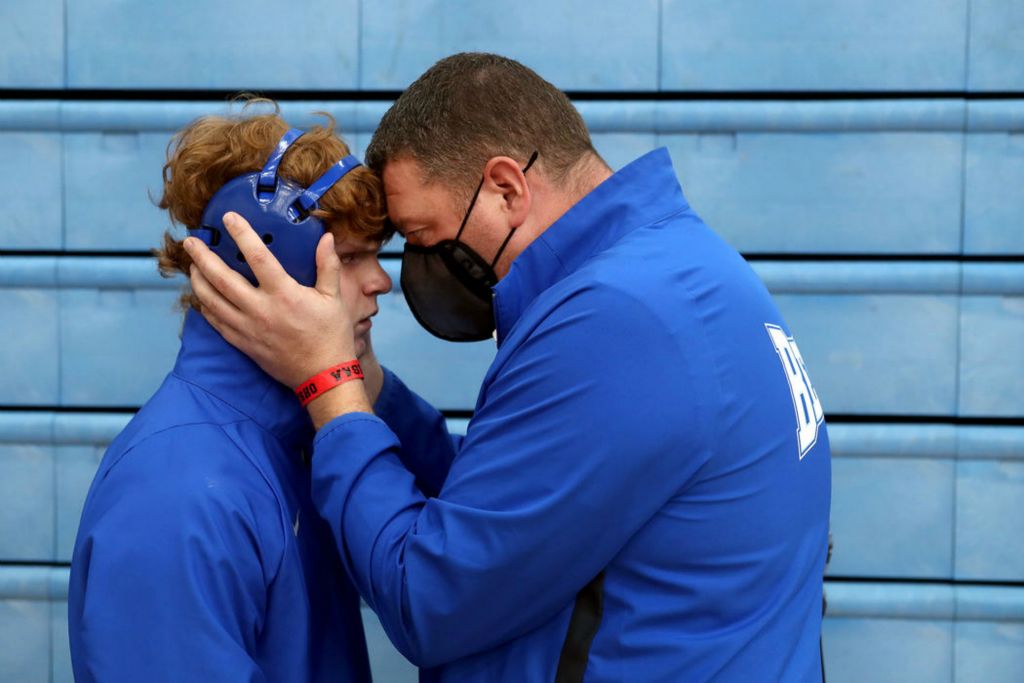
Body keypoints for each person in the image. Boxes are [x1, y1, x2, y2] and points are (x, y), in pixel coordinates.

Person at [186, 53, 832, 682]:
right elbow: (518, 491)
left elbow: (430, 599)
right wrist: (371, 390)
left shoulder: (617, 321)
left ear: (506, 188)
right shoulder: (681, 269)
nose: (406, 273)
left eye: (425, 237)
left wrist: (330, 389)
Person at [68, 107, 393, 682]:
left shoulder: (290, 443)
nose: (381, 282)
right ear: (263, 264)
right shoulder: (178, 494)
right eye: (350, 258)